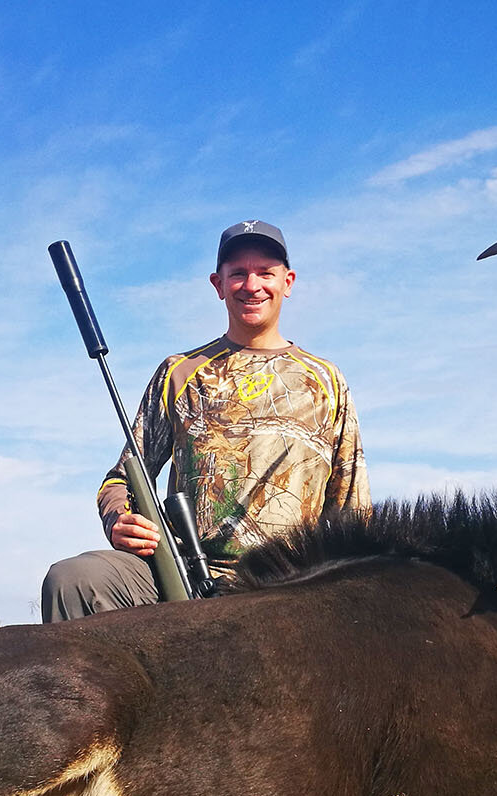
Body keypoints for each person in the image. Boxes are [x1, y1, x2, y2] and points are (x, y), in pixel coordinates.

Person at [41, 220, 371, 621]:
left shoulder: (326, 380)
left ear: (288, 281)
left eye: (266, 273)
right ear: (218, 284)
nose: (252, 285)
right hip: (185, 573)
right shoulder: (179, 372)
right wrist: (119, 520)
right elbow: (122, 478)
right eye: (238, 274)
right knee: (73, 578)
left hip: (289, 583)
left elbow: (352, 506)